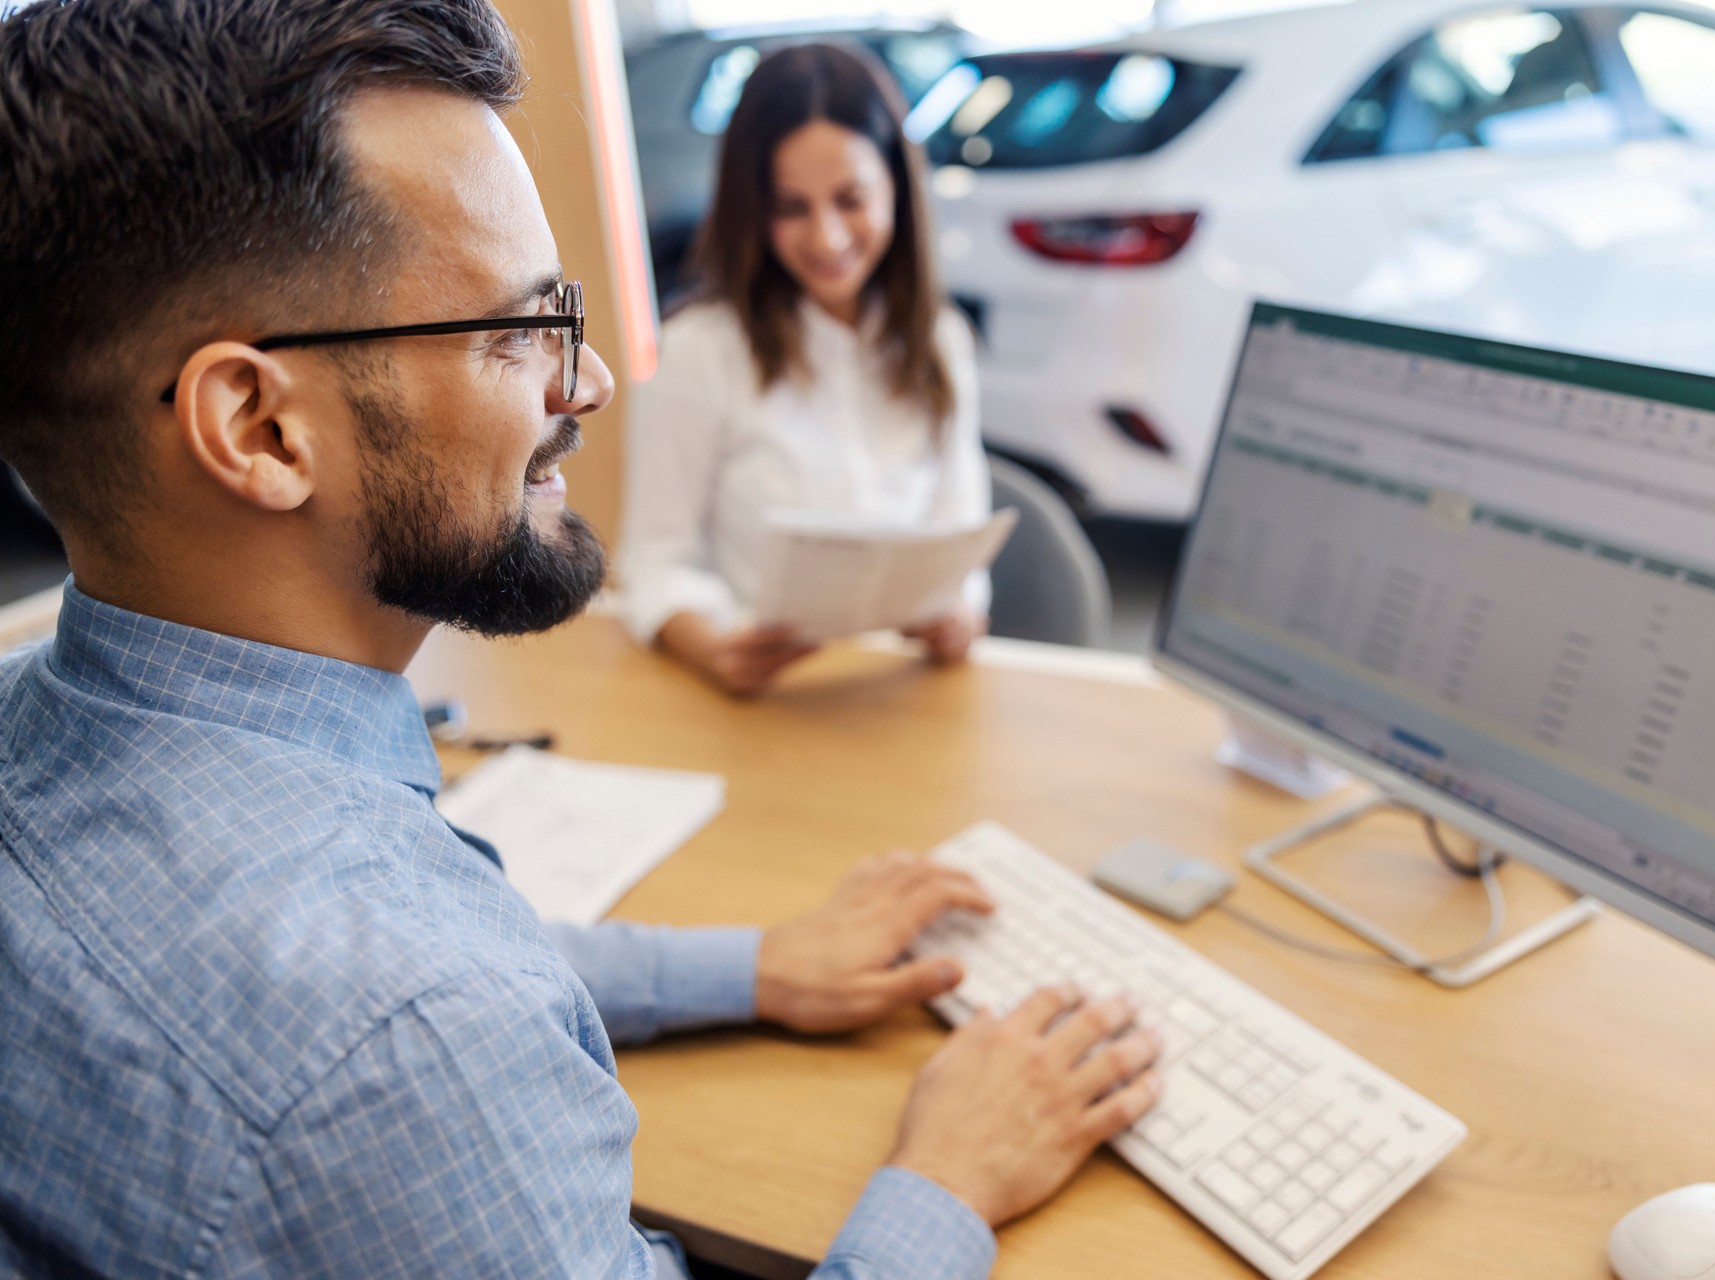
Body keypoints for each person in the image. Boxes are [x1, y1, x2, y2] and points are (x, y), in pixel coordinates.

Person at [0, 3, 1160, 1277]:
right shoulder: (408, 1041)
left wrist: (752, 966)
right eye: (513, 329)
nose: (587, 381)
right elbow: (407, 1032)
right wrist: (949, 1178)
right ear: (261, 429)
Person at [619, 43, 991, 697]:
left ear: (896, 192)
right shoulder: (701, 351)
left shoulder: (942, 341)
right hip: (760, 697)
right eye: (792, 208)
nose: (826, 238)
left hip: (900, 697)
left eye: (850, 199)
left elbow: (962, 543)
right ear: (753, 211)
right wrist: (709, 646)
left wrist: (961, 614)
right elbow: (652, 563)